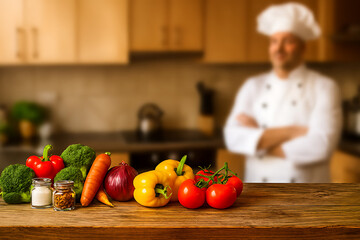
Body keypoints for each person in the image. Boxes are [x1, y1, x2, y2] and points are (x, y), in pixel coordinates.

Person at [224, 2, 342, 183]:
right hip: (258, 191)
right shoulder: (253, 86)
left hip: (305, 195)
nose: (278, 49)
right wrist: (292, 131)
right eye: (274, 41)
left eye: (288, 41)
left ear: (303, 48)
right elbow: (233, 137)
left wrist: (256, 139)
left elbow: (321, 145)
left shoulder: (324, 86)